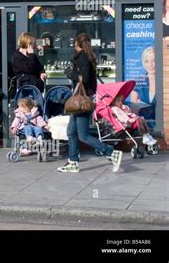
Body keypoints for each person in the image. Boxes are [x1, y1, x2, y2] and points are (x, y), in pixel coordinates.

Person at [58, 33, 123, 173]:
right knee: (71, 132)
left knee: (83, 135)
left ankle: (111, 152)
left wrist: (71, 73)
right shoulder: (88, 57)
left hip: (82, 101)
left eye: (74, 44)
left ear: (77, 44)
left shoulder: (83, 58)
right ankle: (73, 162)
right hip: (83, 99)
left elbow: (85, 78)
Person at [130, 46, 156, 124]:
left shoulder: (164, 80)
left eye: (154, 60)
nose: (150, 64)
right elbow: (134, 109)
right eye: (147, 61)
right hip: (144, 126)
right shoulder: (138, 82)